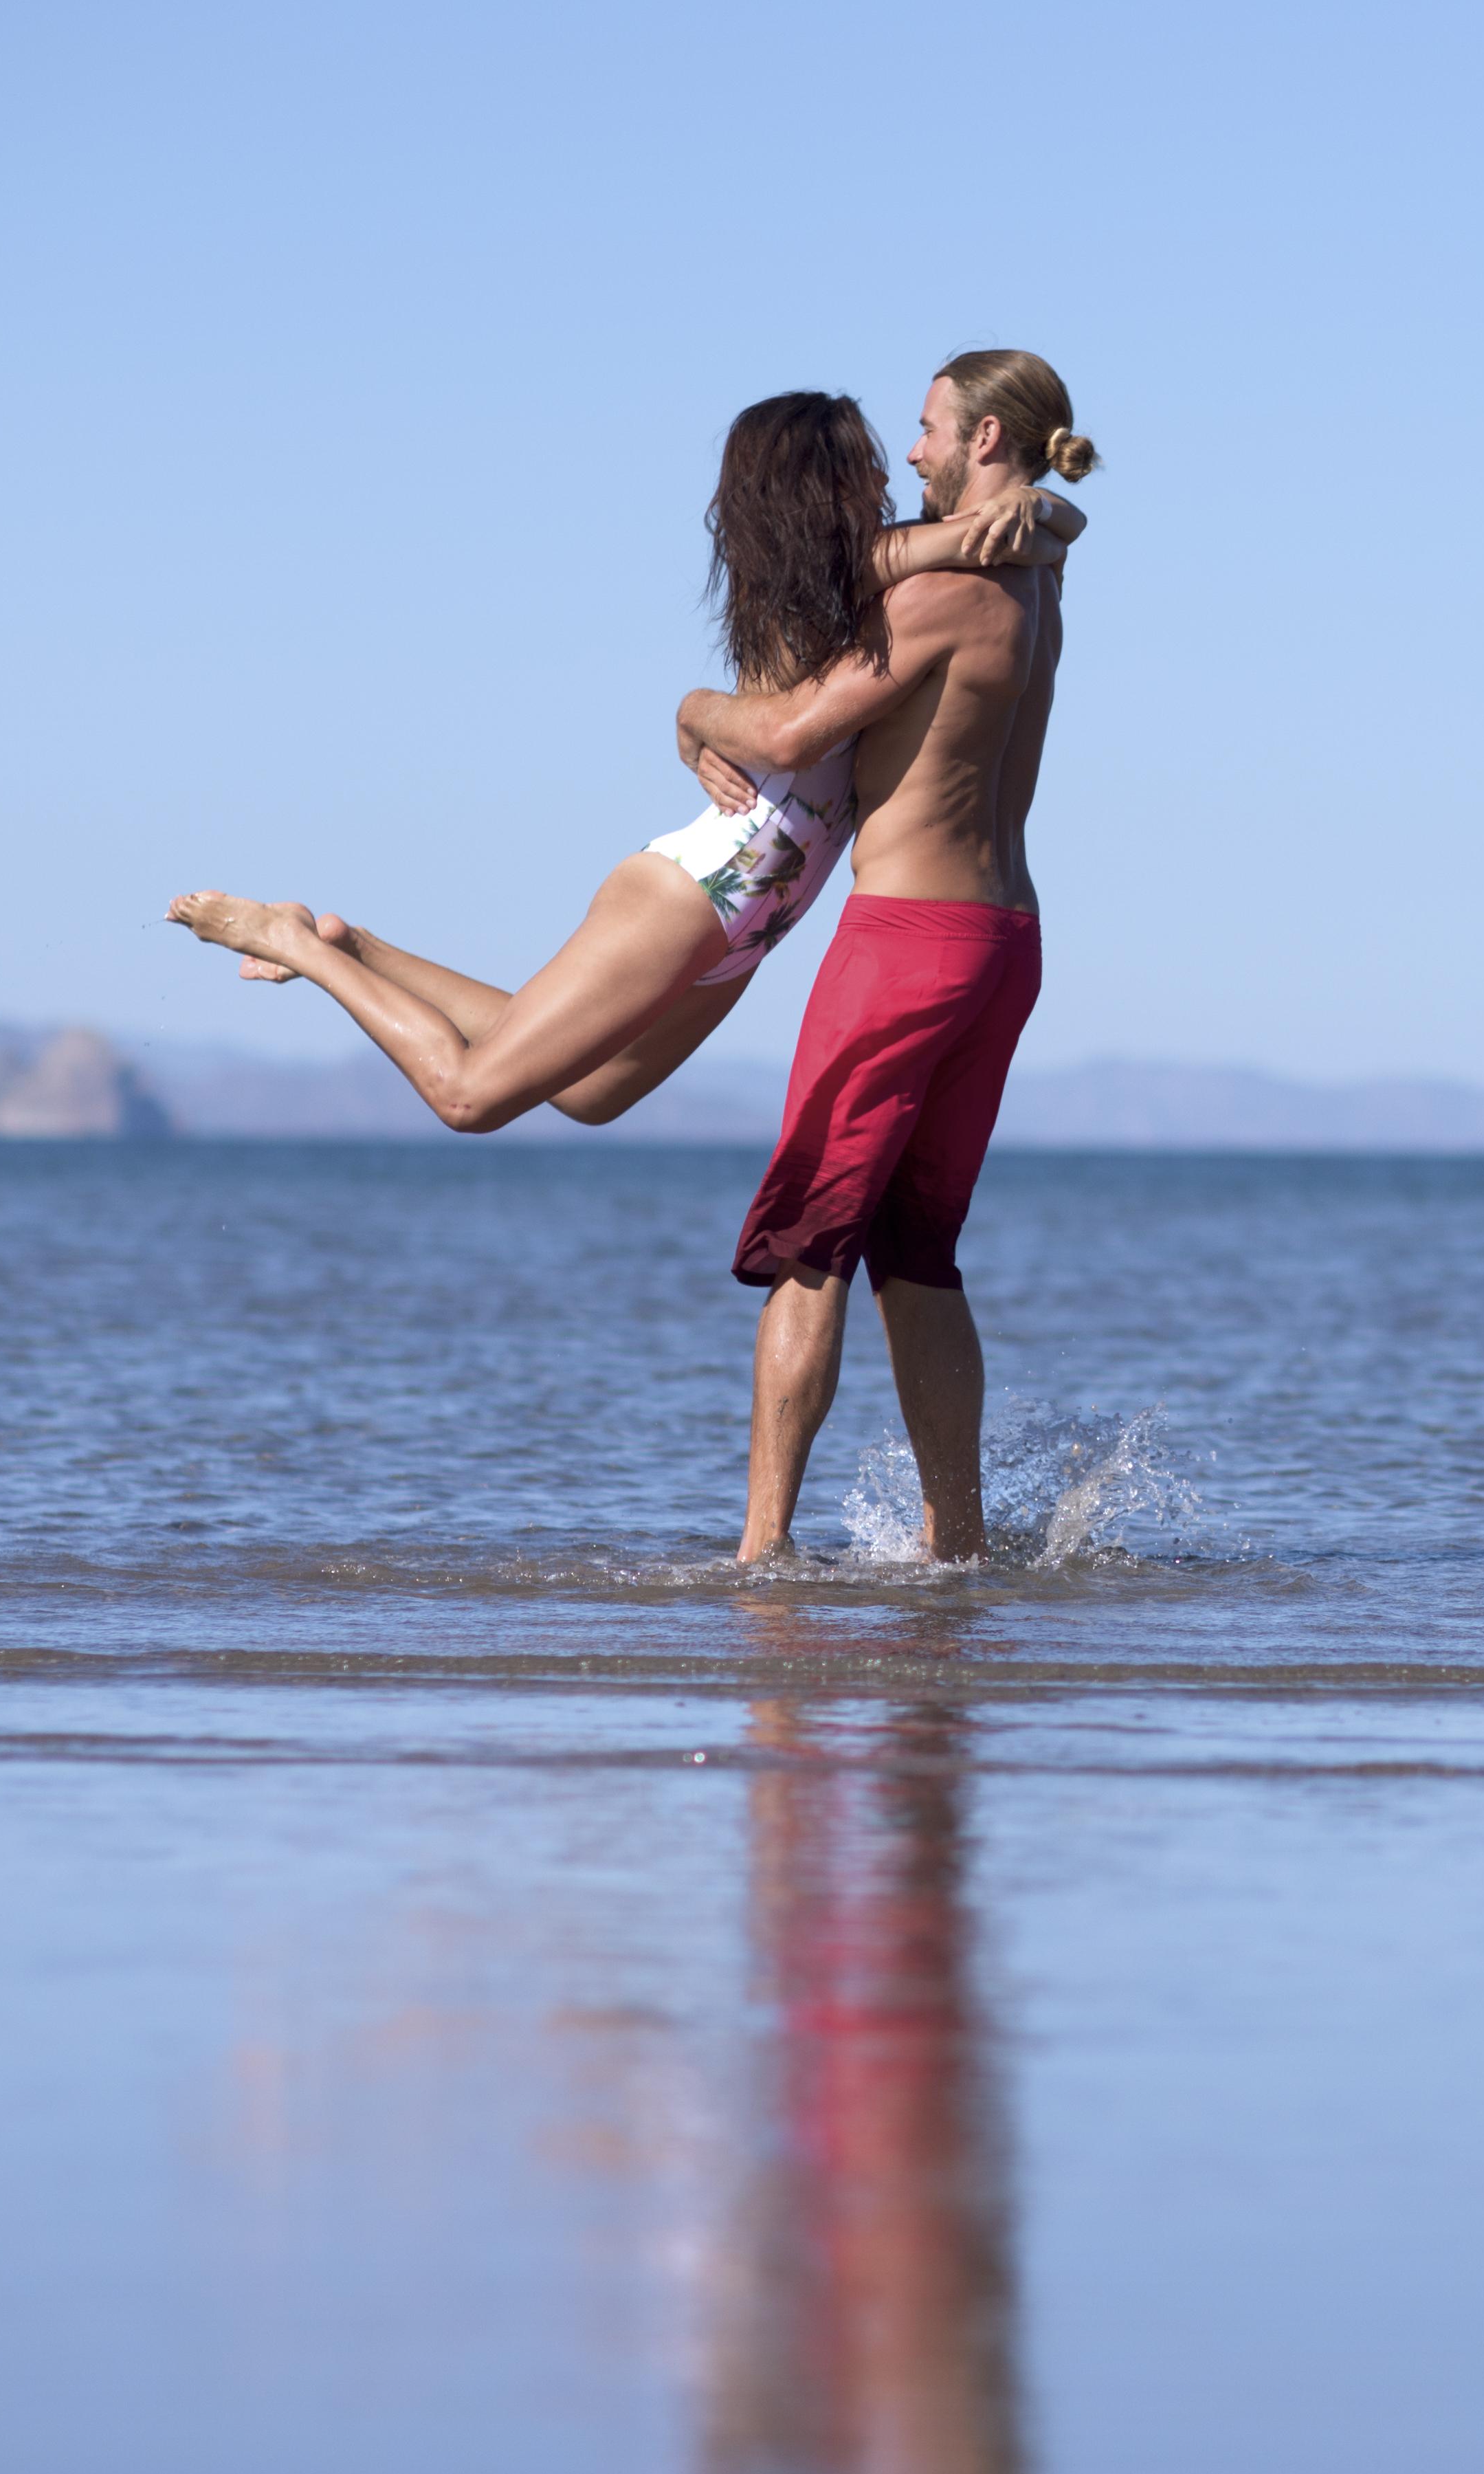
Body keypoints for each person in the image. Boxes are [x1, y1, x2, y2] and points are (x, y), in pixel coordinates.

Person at [158, 393, 1073, 1133]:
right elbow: (983, 543)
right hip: (704, 886)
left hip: (758, 913)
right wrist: (1028, 507)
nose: (892, 467)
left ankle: (350, 945)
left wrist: (1041, 504)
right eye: (868, 456)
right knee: (470, 1098)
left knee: (588, 1096)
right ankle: (295, 950)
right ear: (822, 481)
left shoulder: (844, 574)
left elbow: (1027, 535)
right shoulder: (849, 571)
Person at [678, 351, 1090, 1566]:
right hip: (1004, 944)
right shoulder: (1036, 571)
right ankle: (952, 1550)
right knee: (916, 1255)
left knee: (810, 1246)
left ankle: (760, 1558)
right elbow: (1056, 518)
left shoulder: (939, 591)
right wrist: (1052, 505)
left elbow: (794, 730)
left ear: (988, 443)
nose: (910, 455)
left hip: (907, 944)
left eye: (927, 433)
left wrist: (693, 711)